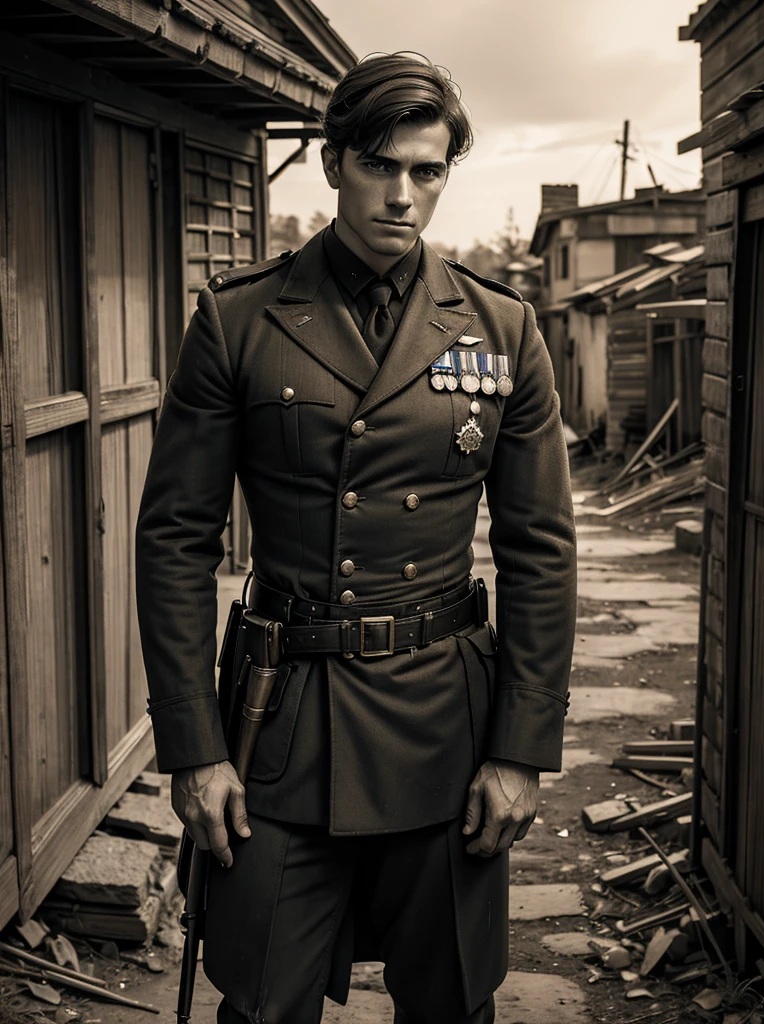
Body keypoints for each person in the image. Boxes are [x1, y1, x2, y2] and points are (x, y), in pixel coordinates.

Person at [136, 52, 576, 1024]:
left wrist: (521, 748)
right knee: (261, 1002)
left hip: (447, 734)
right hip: (282, 727)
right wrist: (192, 749)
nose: (404, 195)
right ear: (334, 162)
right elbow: (175, 539)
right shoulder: (238, 322)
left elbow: (541, 545)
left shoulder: (500, 331)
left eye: (427, 171)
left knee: (452, 1002)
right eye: (382, 166)